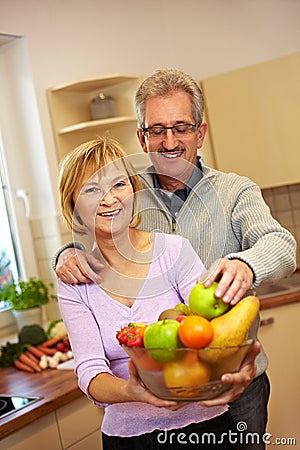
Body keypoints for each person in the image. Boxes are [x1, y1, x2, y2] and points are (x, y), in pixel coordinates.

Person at [54, 69, 296, 449]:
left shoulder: (233, 190)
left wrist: (244, 266)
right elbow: (90, 226)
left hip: (238, 381)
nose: (170, 141)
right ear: (142, 137)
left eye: (181, 128)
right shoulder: (128, 189)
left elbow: (280, 244)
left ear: (200, 133)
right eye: (157, 130)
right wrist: (66, 253)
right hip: (154, 399)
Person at [57, 135, 251, 449]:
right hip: (130, 438)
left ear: (133, 191)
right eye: (92, 189)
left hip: (208, 426)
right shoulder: (74, 281)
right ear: (73, 205)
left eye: (119, 184)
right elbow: (90, 371)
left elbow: (211, 332)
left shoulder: (173, 251)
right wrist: (131, 392)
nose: (109, 199)